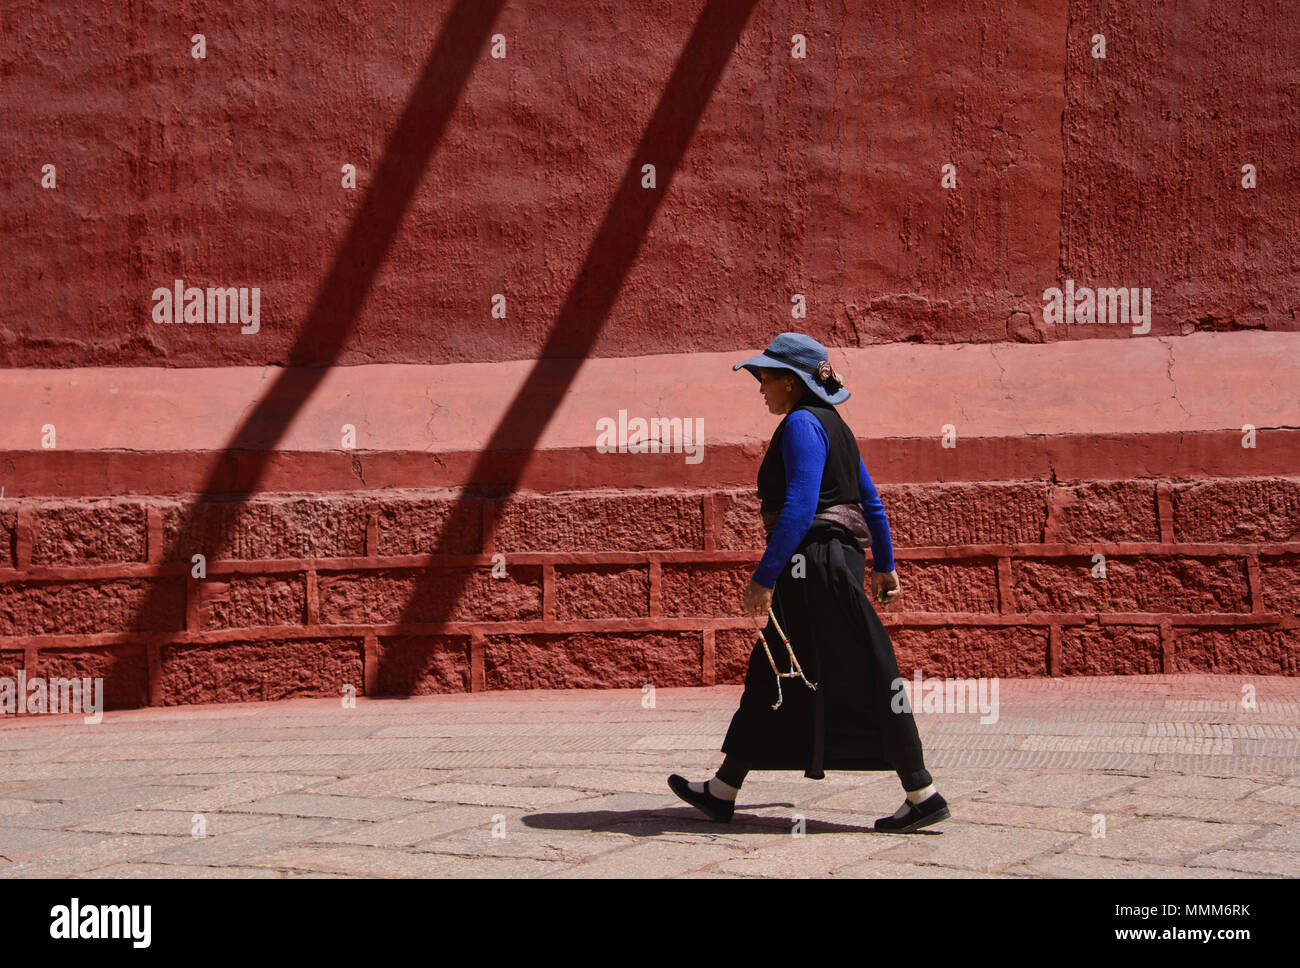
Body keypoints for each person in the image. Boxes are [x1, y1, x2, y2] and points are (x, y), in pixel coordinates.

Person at [668, 332, 949, 833]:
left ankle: (922, 792)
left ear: (792, 383)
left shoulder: (801, 424)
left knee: (870, 670)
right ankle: (723, 789)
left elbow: (799, 506)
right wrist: (884, 565)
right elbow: (872, 503)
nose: (760, 388)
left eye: (766, 378)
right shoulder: (837, 427)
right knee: (773, 672)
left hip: (814, 564)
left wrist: (764, 577)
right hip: (833, 564)